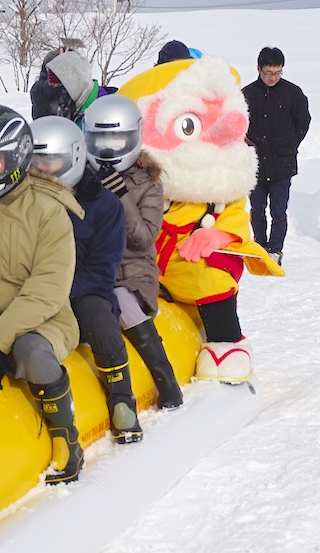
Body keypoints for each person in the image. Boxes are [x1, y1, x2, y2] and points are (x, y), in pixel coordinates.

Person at [118, 55, 284, 382]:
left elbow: (237, 216)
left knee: (211, 275)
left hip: (194, 260)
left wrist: (218, 235)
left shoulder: (222, 188)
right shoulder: (145, 183)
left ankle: (227, 339)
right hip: (152, 265)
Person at [0, 104, 86, 484]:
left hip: (39, 320)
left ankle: (64, 435)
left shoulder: (46, 211)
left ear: (17, 160)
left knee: (32, 353)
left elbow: (48, 289)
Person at [30, 115, 142, 443]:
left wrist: (60, 292)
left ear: (76, 157)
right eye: (37, 162)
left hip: (82, 290)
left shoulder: (103, 205)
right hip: (32, 291)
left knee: (97, 312)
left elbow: (102, 268)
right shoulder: (22, 203)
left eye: (54, 161)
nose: (45, 170)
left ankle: (122, 396)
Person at [82, 94, 184, 411]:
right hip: (88, 271)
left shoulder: (148, 182)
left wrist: (120, 196)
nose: (109, 149)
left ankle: (166, 379)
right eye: (101, 140)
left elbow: (143, 240)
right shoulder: (81, 176)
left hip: (131, 274)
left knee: (121, 302)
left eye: (117, 139)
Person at [242, 47, 311, 265]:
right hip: (254, 163)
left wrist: (289, 145)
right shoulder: (246, 94)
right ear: (258, 69)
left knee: (279, 210)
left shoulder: (293, 93)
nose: (273, 77)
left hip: (283, 163)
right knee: (257, 209)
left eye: (278, 73)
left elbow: (303, 122)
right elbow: (236, 125)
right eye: (268, 73)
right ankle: (259, 245)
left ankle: (276, 249)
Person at [46, 51, 111, 126]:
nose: (58, 94)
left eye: (60, 87)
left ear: (73, 84)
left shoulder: (103, 109)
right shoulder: (70, 107)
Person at [31, 48, 67, 119]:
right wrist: (57, 80)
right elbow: (45, 90)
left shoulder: (77, 87)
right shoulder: (39, 89)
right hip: (50, 127)